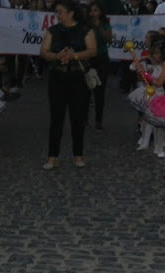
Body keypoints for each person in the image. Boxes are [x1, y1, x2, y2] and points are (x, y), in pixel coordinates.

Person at [39, 0, 96, 169]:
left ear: (71, 13)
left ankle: (78, 154)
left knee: (77, 117)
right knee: (56, 117)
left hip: (77, 78)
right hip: (57, 77)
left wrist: (74, 55)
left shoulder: (85, 30)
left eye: (61, 12)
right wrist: (57, 56)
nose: (58, 15)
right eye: (57, 12)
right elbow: (44, 51)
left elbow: (92, 50)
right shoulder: (53, 31)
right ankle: (52, 156)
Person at [87, 1, 111, 131]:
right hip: (88, 58)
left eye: (95, 10)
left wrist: (99, 27)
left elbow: (109, 39)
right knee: (85, 90)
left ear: (100, 12)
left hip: (101, 58)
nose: (93, 13)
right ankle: (83, 118)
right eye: (91, 10)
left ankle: (98, 120)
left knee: (99, 91)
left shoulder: (105, 24)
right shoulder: (86, 23)